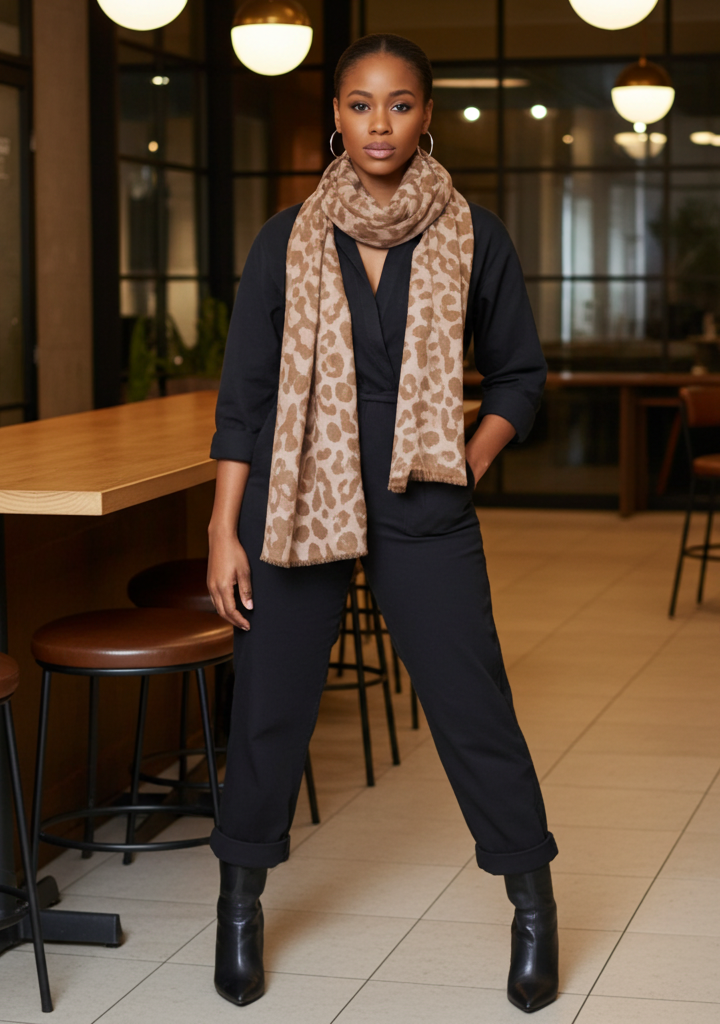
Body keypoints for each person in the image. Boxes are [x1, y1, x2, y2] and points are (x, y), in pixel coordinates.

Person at [205, 32, 558, 1014]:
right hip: (295, 502)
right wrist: (221, 527)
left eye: (399, 104)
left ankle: (530, 898)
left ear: (427, 115)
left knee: (472, 706)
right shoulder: (285, 237)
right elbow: (245, 394)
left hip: (422, 506)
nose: (379, 124)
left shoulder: (472, 234)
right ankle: (240, 902)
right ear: (336, 116)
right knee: (269, 709)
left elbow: (520, 378)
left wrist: (466, 462)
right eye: (360, 104)